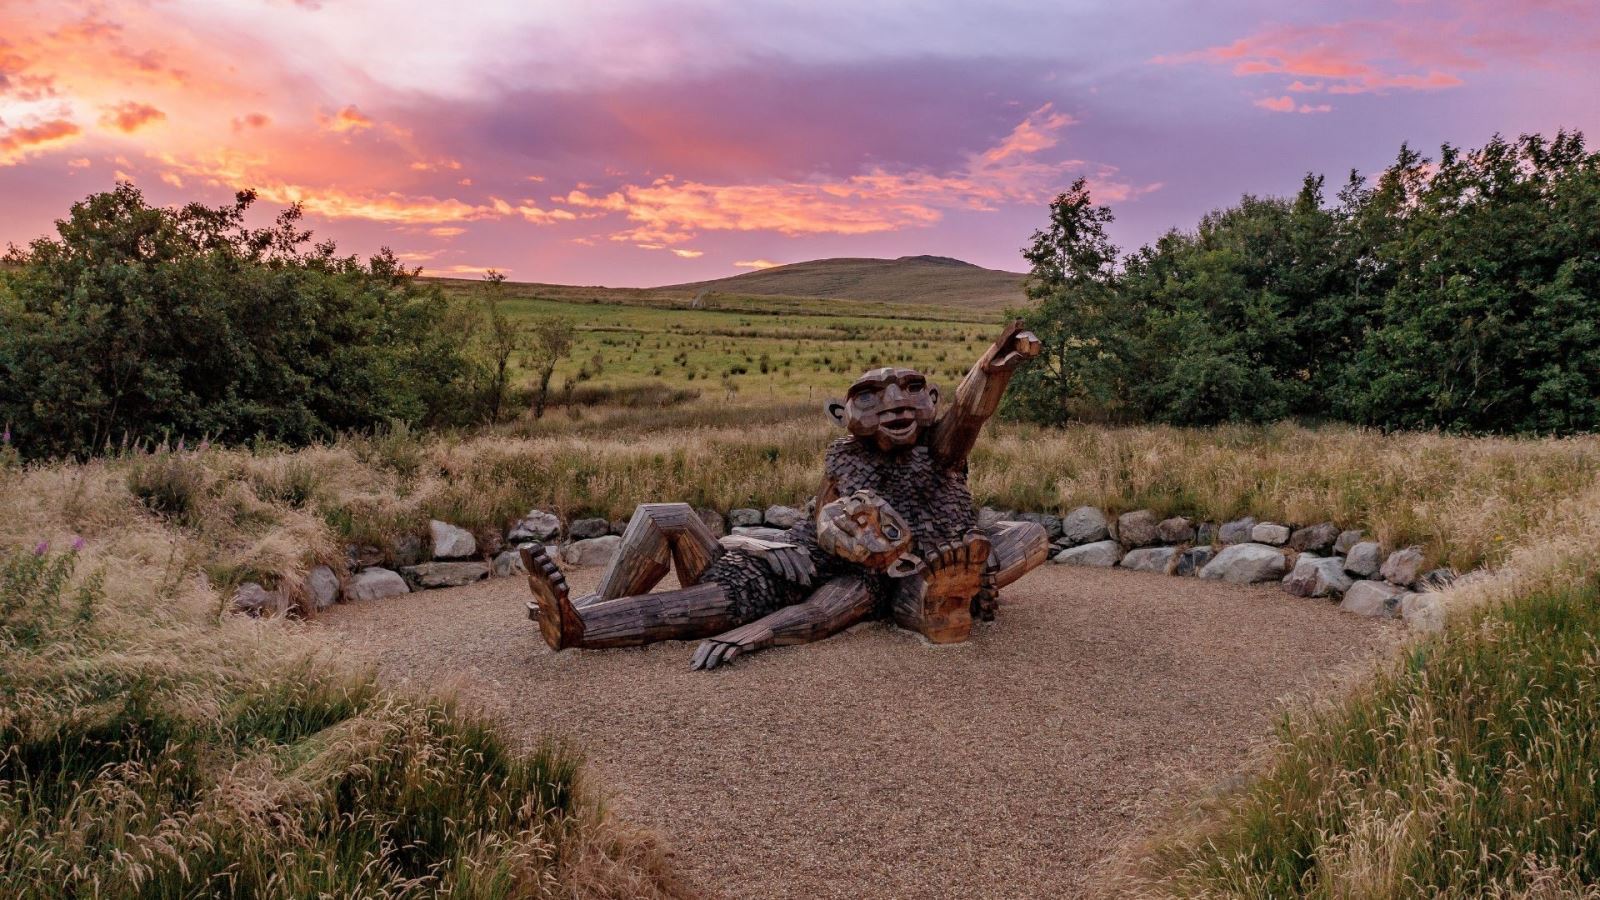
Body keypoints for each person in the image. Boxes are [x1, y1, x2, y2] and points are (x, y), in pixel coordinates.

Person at [521, 320, 1050, 669]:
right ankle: (592, 612)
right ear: (844, 417)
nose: (895, 404)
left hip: (894, 570)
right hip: (802, 568)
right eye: (872, 397)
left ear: (930, 399)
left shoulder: (939, 452)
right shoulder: (843, 462)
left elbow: (968, 415)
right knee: (666, 519)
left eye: (911, 391)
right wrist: (771, 556)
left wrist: (991, 366)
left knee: (1027, 535)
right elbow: (826, 524)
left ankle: (582, 622)